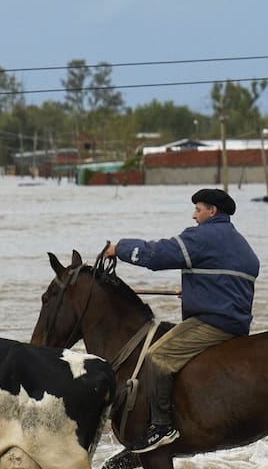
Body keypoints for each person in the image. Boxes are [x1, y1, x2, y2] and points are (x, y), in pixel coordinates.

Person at [101, 188, 259, 453]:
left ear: (212, 211)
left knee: (157, 357)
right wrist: (200, 289)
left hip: (213, 324)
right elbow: (231, 284)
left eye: (198, 209)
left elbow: (156, 255)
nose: (194, 215)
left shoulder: (202, 237)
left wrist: (120, 248)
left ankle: (162, 427)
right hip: (235, 323)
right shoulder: (242, 245)